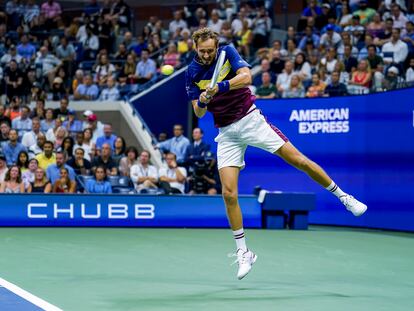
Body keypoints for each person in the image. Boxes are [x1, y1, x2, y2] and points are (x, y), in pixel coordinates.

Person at [185, 28, 367, 280]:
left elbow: (247, 77)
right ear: (195, 48)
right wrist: (204, 99)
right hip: (226, 132)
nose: (206, 54)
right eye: (202, 51)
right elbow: (199, 113)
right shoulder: (191, 72)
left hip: (250, 120)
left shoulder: (227, 52)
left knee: (298, 160)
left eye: (209, 50)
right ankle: (244, 252)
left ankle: (344, 197)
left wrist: (222, 86)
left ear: (215, 47)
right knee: (228, 194)